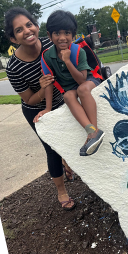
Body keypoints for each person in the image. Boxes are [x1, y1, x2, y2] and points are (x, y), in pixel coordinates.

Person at [4, 8, 77, 210]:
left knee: (73, 137)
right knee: (52, 149)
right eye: (19, 30)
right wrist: (43, 85)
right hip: (35, 109)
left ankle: (68, 160)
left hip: (62, 99)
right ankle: (61, 190)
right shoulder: (13, 67)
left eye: (29, 25)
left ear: (37, 26)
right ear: (13, 38)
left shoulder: (50, 43)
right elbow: (28, 98)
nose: (27, 31)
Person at [41, 10, 104, 157]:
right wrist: (48, 108)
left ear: (73, 35)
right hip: (71, 88)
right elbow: (48, 82)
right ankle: (91, 131)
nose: (62, 38)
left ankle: (94, 133)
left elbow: (82, 80)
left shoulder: (77, 51)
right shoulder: (47, 56)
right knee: (68, 96)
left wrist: (67, 61)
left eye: (67, 33)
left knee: (82, 89)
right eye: (57, 33)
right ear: (49, 35)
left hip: (88, 80)